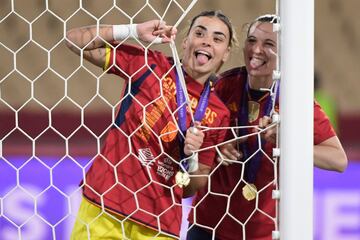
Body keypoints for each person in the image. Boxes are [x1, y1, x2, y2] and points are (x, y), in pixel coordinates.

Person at [65, 10, 237, 239]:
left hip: (160, 225)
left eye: (217, 39)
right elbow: (73, 40)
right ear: (185, 41)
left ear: (225, 54)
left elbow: (190, 188)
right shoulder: (149, 64)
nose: (207, 41)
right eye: (200, 33)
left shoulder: (218, 113)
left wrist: (192, 157)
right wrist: (133, 31)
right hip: (105, 206)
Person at [187, 14, 348, 240]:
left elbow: (338, 160)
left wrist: (289, 142)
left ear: (285, 54)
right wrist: (217, 147)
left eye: (269, 44)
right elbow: (192, 140)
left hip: (262, 233)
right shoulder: (223, 86)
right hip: (208, 226)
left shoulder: (297, 102)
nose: (257, 49)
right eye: (252, 40)